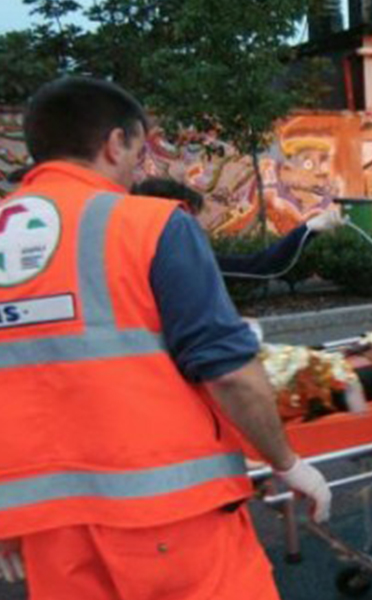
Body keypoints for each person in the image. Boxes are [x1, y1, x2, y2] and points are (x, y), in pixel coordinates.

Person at [0, 76, 332, 599]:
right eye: (140, 149)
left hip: (47, 531)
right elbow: (231, 375)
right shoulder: (148, 225)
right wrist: (286, 462)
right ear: (115, 142)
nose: (141, 167)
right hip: (167, 521)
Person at [132, 177, 341, 278]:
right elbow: (259, 265)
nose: (193, 227)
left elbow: (258, 265)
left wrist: (308, 230)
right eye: (188, 218)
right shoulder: (175, 262)